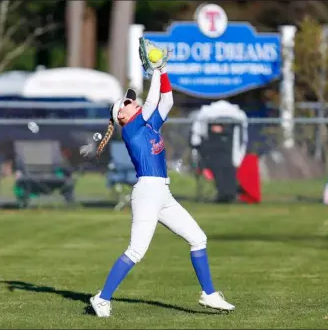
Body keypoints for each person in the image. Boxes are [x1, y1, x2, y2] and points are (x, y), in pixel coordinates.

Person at [88, 44, 235, 318]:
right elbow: (152, 102)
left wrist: (163, 70)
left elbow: (166, 101)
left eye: (131, 100)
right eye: (127, 102)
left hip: (162, 194)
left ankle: (209, 294)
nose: (132, 101)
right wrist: (155, 71)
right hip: (146, 193)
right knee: (137, 250)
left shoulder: (149, 124)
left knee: (198, 238)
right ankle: (102, 298)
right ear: (122, 115)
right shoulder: (131, 129)